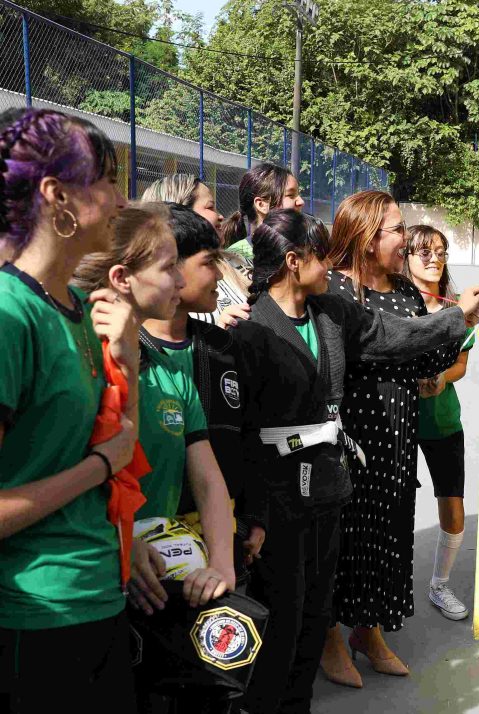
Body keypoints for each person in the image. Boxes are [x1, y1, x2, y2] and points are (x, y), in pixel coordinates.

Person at [231, 209, 479, 711]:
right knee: (283, 615)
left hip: (328, 488)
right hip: (278, 498)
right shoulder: (251, 332)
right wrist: (252, 515)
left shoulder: (330, 315)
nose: (330, 263)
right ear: (292, 260)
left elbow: (392, 338)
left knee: (314, 611)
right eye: (320, 254)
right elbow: (238, 437)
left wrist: (456, 318)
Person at [0, 107, 138, 713]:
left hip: (101, 596)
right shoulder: (10, 316)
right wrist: (101, 467)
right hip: (36, 615)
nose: (119, 199)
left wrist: (128, 354)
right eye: (105, 181)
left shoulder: (83, 308)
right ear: (57, 197)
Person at [320, 191, 463, 685]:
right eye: (397, 230)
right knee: (348, 536)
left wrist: (449, 335)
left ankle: (369, 629)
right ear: (365, 236)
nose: (407, 239)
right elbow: (377, 346)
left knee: (389, 531)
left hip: (398, 434)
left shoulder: (404, 291)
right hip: (353, 437)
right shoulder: (336, 292)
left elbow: (423, 359)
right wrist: (443, 325)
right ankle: (330, 636)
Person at [72, 202, 236, 620]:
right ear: (122, 278)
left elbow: (208, 477)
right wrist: (121, 537)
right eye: (168, 267)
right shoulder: (74, 363)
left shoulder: (169, 373)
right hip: (80, 585)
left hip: (154, 583)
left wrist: (221, 565)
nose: (180, 280)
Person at [137, 203, 266, 583]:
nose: (220, 275)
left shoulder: (223, 346)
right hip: (140, 558)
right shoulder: (125, 355)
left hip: (219, 539)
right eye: (210, 262)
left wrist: (252, 515)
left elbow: (246, 436)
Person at [402, 225, 476, 621]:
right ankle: (391, 582)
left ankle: (440, 585)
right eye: (424, 251)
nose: (434, 259)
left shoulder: (456, 312)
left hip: (443, 422)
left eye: (441, 252)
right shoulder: (394, 306)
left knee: (453, 504)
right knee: (395, 506)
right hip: (396, 420)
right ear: (406, 256)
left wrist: (442, 378)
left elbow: (462, 363)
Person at [140, 174, 250, 330]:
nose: (220, 216)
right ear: (180, 214)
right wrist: (219, 335)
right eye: (210, 207)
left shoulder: (236, 261)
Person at [214, 163, 304, 325]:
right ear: (261, 204)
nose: (301, 201)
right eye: (291, 195)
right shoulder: (233, 260)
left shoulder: (302, 249)